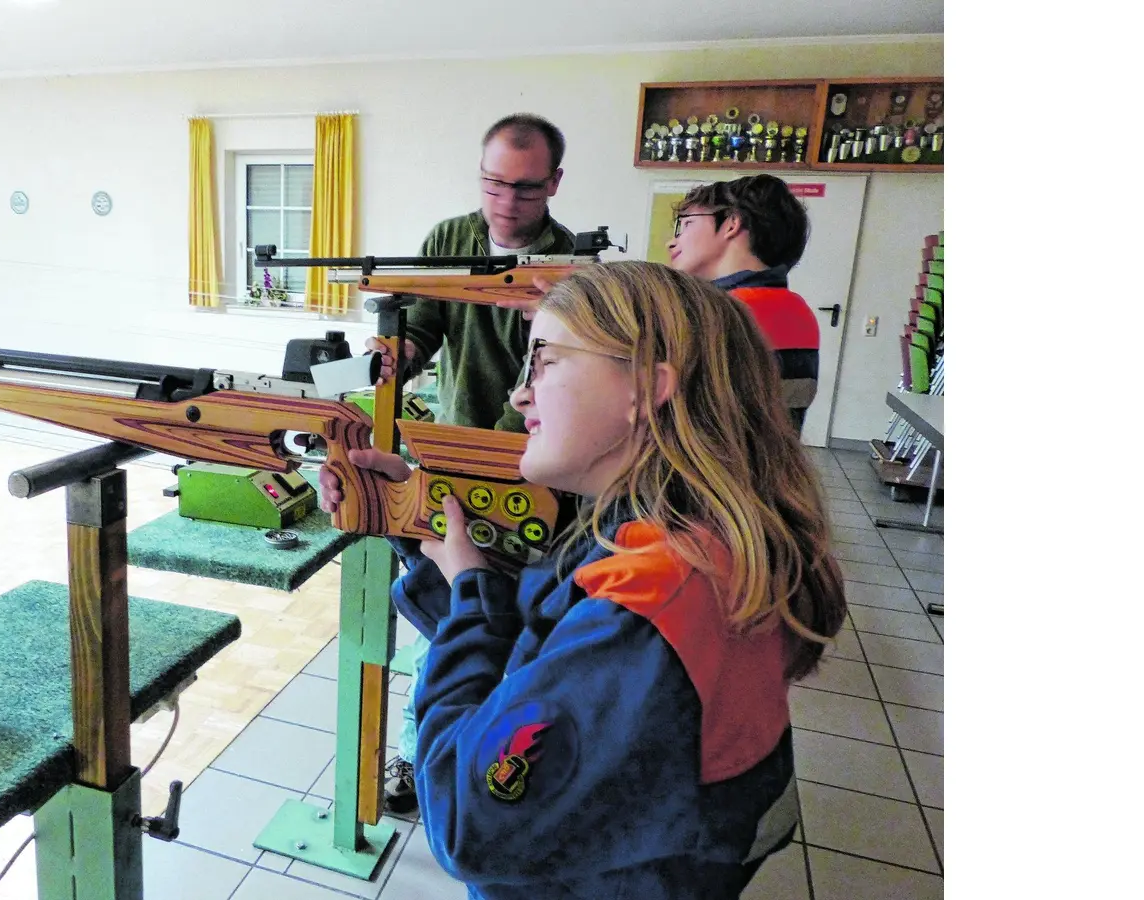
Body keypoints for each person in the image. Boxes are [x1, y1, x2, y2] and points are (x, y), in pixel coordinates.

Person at [318, 261, 848, 898]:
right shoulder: (669, 537)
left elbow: (466, 820)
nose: (520, 395)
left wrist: (469, 598)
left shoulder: (655, 598)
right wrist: (419, 530)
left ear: (644, 389)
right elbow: (535, 651)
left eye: (545, 361)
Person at [368, 113, 579, 814]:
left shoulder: (570, 262)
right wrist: (400, 354)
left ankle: (456, 755)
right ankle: (422, 752)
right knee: (439, 602)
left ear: (553, 183)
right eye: (494, 184)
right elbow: (423, 327)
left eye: (525, 189)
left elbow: (558, 366)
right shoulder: (448, 241)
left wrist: (493, 453)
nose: (506, 203)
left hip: (525, 458)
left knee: (481, 608)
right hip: (449, 453)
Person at [664, 174, 820, 433]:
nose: (672, 241)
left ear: (731, 224)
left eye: (687, 224)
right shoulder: (797, 310)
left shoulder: (717, 312)